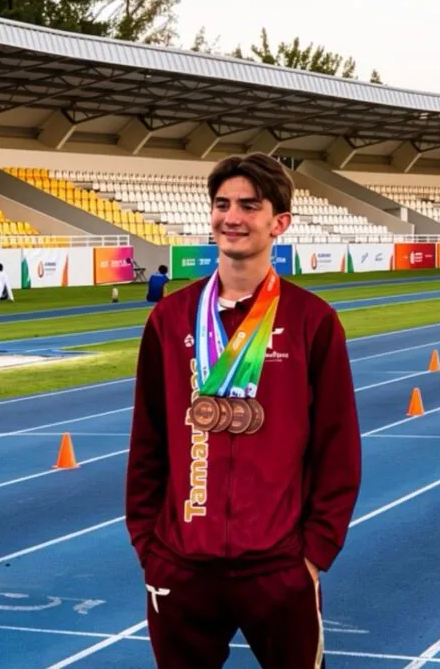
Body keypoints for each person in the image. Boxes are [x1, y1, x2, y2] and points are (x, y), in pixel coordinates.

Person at [125, 153, 361, 669]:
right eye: (222, 204)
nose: (232, 217)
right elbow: (148, 439)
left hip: (278, 567)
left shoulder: (312, 321)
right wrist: (150, 544)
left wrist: (313, 553)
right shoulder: (169, 318)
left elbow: (337, 446)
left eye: (249, 206)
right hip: (181, 564)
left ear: (279, 222)